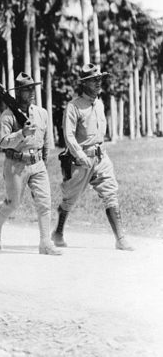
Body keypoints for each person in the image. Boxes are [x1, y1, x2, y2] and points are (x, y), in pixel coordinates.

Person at [53, 64, 134, 251]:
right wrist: (80, 155)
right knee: (69, 199)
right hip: (80, 160)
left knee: (111, 192)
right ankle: (57, 233)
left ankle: (120, 238)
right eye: (93, 80)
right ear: (84, 84)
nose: (98, 83)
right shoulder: (74, 106)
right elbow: (69, 136)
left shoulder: (99, 103)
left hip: (100, 157)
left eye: (99, 79)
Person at [0, 73, 61, 255]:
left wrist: (43, 161)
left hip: (37, 164)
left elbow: (46, 140)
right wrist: (22, 133)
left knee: (45, 202)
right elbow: (3, 142)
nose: (32, 92)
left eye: (32, 88)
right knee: (13, 203)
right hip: (16, 164)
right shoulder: (8, 115)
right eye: (27, 89)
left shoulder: (42, 113)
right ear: (19, 92)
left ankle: (45, 242)